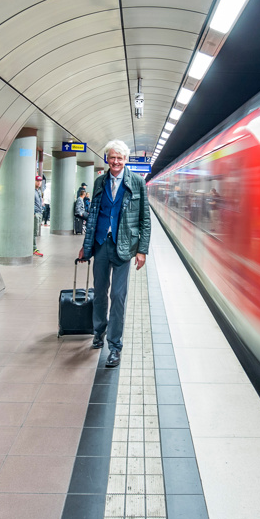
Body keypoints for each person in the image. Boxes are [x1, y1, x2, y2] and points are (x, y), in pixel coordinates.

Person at [78, 140, 152, 368]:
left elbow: (145, 220)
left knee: (118, 297)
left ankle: (115, 346)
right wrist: (86, 245)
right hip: (101, 244)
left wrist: (142, 250)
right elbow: (92, 217)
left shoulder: (137, 182)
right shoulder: (100, 181)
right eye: (112, 157)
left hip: (123, 247)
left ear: (126, 159)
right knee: (99, 293)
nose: (116, 161)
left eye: (120, 158)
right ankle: (98, 332)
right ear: (107, 159)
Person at [33, 178, 44, 257]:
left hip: (39, 213)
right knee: (34, 231)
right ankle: (34, 248)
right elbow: (31, 202)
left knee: (36, 232)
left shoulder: (38, 191)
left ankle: (34, 247)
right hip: (36, 213)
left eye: (40, 181)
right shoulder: (33, 191)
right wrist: (33, 212)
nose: (39, 182)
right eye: (37, 181)